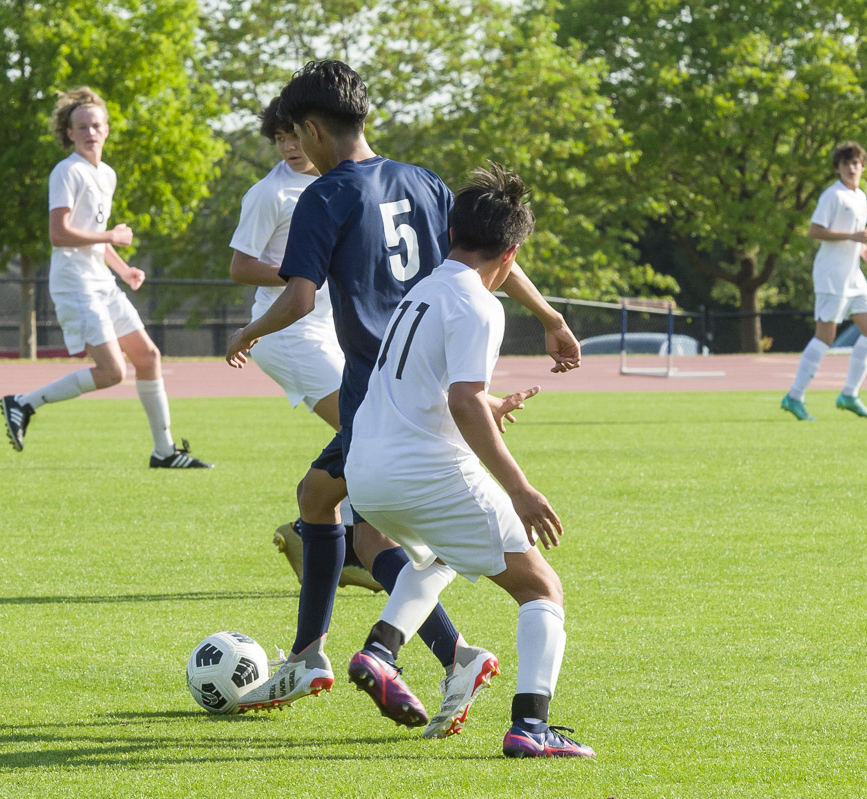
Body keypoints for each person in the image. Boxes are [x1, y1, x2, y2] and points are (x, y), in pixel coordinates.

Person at [225, 61, 581, 730]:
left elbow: (299, 298)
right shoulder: (423, 181)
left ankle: (426, 655)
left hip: (379, 388)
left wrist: (247, 329)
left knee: (369, 522)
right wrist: (550, 316)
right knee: (325, 501)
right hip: (433, 373)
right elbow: (493, 252)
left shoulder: (323, 196)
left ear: (309, 128)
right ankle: (333, 653)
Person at [345, 163, 593, 756]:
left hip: (366, 474)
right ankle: (531, 727)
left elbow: (435, 392)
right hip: (423, 475)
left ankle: (381, 651)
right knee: (540, 588)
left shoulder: (421, 291)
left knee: (437, 557)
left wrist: (488, 406)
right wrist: (520, 489)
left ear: (451, 234)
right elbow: (462, 399)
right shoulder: (481, 305)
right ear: (510, 254)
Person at [0, 87, 211, 469]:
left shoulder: (106, 174)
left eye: (96, 125)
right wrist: (111, 236)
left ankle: (164, 452)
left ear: (107, 130)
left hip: (99, 279)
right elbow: (59, 234)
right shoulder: (67, 171)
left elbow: (91, 236)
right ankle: (24, 402)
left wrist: (122, 267)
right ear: (69, 133)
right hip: (75, 284)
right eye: (81, 126)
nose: (89, 132)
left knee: (147, 357)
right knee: (113, 372)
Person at [229, 97, 378, 592]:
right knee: (364, 430)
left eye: (295, 135)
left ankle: (321, 532)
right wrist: (308, 271)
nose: (290, 147)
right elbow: (240, 267)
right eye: (279, 139)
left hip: (325, 331)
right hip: (287, 335)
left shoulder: (335, 181)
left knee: (367, 431)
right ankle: (357, 544)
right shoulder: (269, 194)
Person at [782, 141, 867, 421]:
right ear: (838, 168)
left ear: (863, 167)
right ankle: (794, 397)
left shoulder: (860, 197)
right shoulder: (833, 195)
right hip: (831, 276)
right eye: (847, 163)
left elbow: (856, 236)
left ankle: (849, 394)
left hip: (854, 276)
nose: (853, 167)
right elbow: (814, 231)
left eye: (857, 163)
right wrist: (852, 237)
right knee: (825, 337)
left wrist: (865, 250)